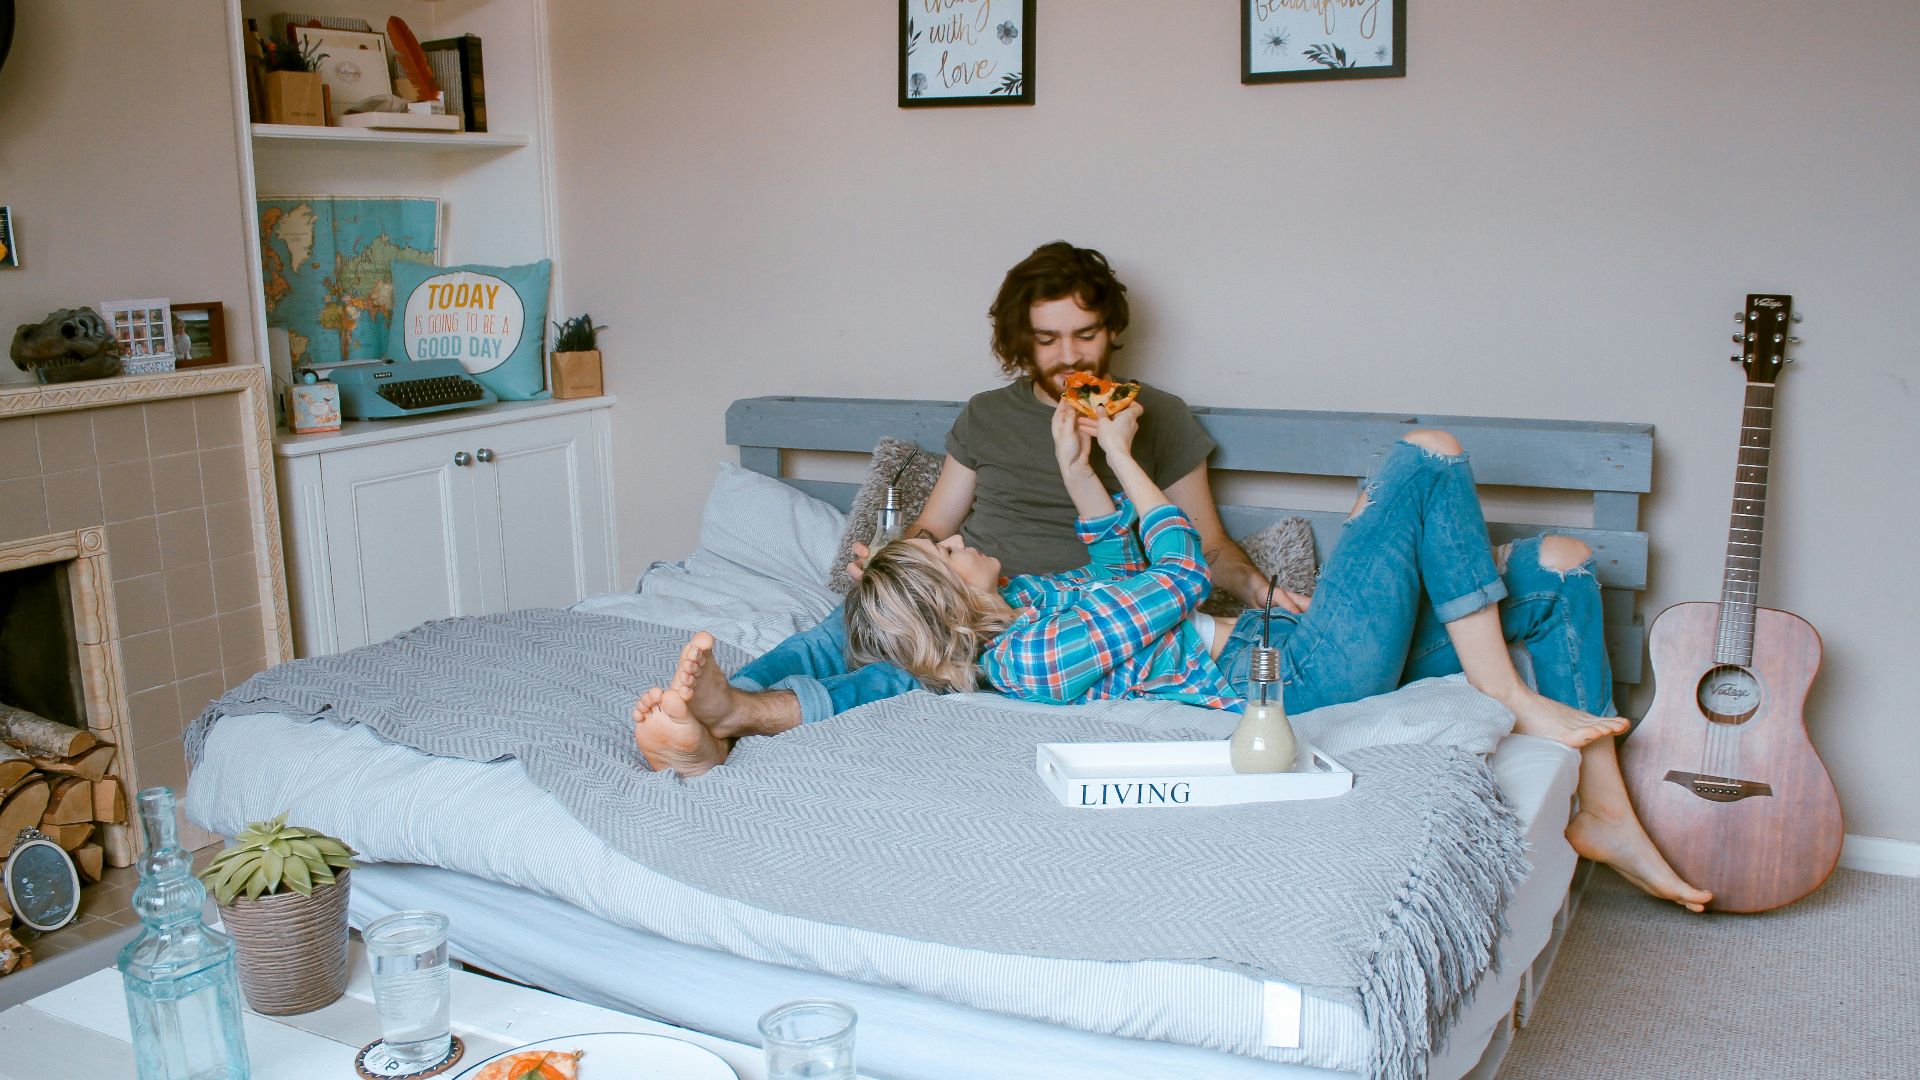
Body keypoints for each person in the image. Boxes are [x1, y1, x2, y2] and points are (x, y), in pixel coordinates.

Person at [642, 398, 1713, 913]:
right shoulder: (1036, 659)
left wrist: (1092, 471)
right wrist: (1122, 458)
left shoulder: (1041, 598)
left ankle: (1601, 805)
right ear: (946, 601)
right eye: (953, 549)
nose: (963, 537)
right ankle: (1501, 691)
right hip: (1297, 673)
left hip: (1295, 638)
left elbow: (1119, 554)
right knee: (1427, 455)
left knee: (1567, 560)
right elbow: (1174, 573)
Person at [634, 241, 1283, 758]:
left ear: (1111, 330)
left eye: (1084, 335)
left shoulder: (1152, 416)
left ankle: (743, 718)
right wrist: (892, 565)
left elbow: (1209, 543)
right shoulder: (986, 417)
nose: (1067, 356)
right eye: (1047, 339)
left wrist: (1261, 592)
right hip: (968, 591)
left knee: (906, 676)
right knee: (844, 631)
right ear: (1019, 341)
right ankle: (716, 706)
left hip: (1067, 613)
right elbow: (933, 526)